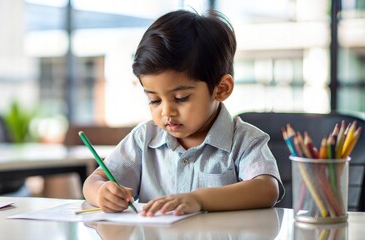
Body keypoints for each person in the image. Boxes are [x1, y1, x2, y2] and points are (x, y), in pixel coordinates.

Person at [83, 9, 284, 216]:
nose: (167, 111)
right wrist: (101, 192)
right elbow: (95, 180)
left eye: (180, 98)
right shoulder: (144, 138)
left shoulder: (244, 140)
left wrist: (199, 199)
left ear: (221, 89)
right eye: (154, 100)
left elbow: (267, 189)